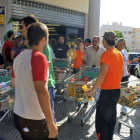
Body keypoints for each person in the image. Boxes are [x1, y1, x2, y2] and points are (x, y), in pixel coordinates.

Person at [11, 22, 58, 140]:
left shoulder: (18, 58)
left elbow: (14, 84)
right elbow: (41, 90)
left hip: (19, 115)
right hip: (35, 120)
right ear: (43, 39)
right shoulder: (39, 57)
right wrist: (51, 122)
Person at [85, 31, 124, 140]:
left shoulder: (107, 54)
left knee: (102, 123)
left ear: (105, 41)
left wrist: (91, 91)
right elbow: (120, 73)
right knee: (111, 120)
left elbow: (102, 74)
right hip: (116, 91)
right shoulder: (119, 54)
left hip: (107, 92)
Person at [20, 15, 56, 124]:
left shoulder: (40, 47)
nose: (20, 30)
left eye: (22, 27)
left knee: (47, 121)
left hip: (45, 87)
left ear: (29, 27)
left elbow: (41, 81)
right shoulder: (36, 46)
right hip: (43, 87)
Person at [117, 38, 130, 114]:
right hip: (118, 76)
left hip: (125, 75)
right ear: (118, 44)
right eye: (123, 44)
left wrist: (128, 71)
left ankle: (123, 107)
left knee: (124, 92)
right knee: (117, 92)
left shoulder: (124, 51)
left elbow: (126, 63)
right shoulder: (115, 52)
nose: (125, 46)